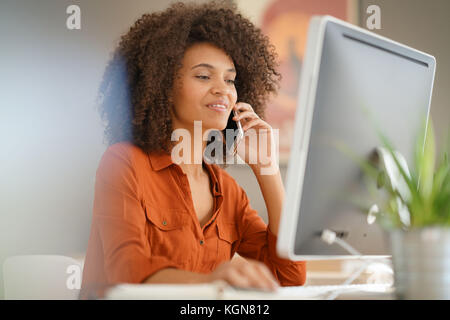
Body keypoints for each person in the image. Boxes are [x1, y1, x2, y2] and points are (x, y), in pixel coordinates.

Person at [80, 1, 306, 299]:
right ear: (163, 86)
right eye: (203, 76)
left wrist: (268, 169)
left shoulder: (228, 193)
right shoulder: (124, 163)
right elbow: (127, 270)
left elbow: (289, 275)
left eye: (230, 79)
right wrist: (212, 280)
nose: (223, 89)